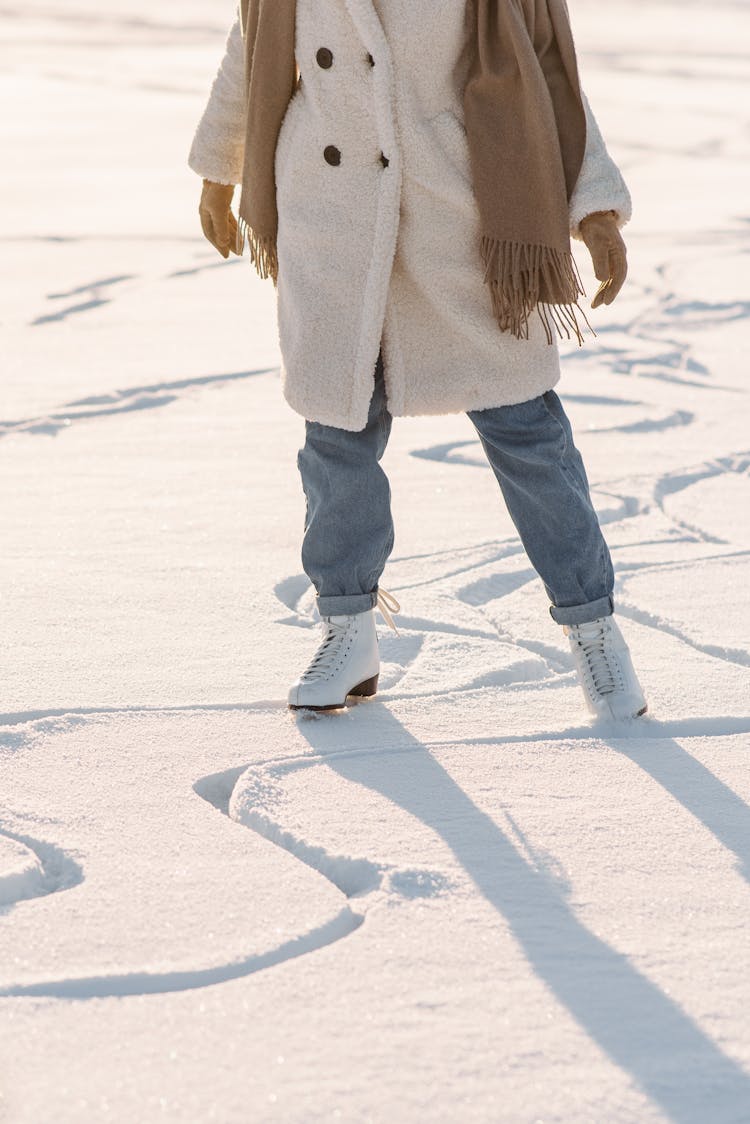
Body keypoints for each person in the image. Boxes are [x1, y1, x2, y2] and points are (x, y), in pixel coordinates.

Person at [187, 0, 647, 721]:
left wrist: (593, 211)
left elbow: (547, 69)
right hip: (334, 217)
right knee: (336, 433)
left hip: (462, 219)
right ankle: (347, 631)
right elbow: (252, 43)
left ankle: (593, 629)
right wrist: (221, 167)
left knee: (527, 432)